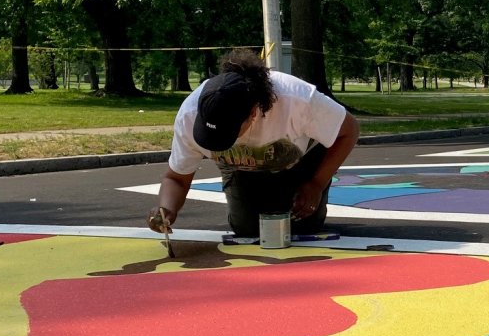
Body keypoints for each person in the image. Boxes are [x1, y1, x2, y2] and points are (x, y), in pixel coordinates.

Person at [148, 49, 360, 238]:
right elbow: (176, 178)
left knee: (305, 225)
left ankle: (305, 191)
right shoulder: (188, 114)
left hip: (299, 159)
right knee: (247, 229)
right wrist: (166, 210)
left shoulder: (297, 99)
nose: (216, 142)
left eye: (227, 136)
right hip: (241, 166)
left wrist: (317, 183)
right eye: (212, 138)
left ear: (253, 113)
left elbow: (349, 131)